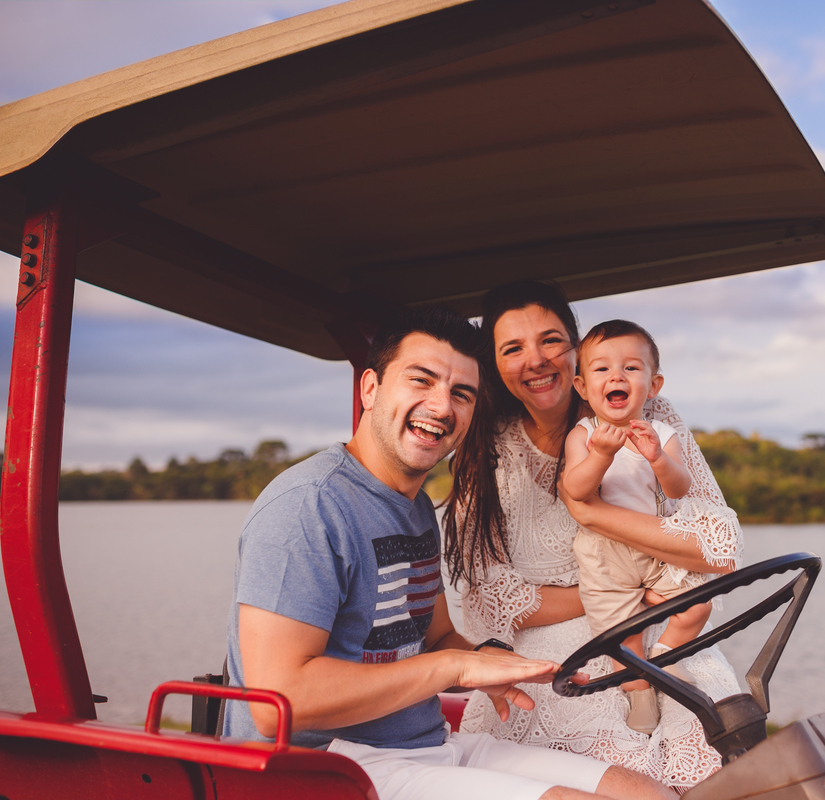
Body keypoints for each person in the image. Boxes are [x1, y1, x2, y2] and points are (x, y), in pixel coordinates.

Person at [224, 307, 673, 800]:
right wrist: (455, 670)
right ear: (369, 389)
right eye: (422, 381)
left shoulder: (413, 506)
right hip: (323, 767)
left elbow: (436, 638)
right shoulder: (309, 507)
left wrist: (494, 663)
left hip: (423, 745)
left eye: (461, 393)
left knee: (646, 794)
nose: (441, 407)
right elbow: (276, 702)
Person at [442, 281, 744, 793]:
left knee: (716, 740)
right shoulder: (485, 451)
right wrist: (617, 598)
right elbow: (491, 603)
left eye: (551, 341)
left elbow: (719, 547)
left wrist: (595, 513)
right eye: (512, 349)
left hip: (663, 634)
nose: (535, 360)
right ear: (494, 366)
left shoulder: (649, 416)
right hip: (558, 663)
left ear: (577, 353)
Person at [562, 320, 712, 735]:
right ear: (581, 386)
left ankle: (666, 655)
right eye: (602, 369)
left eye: (631, 368)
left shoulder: (661, 433)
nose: (616, 376)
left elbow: (680, 485)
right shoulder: (585, 434)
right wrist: (601, 456)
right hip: (603, 551)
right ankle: (638, 689)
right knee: (622, 632)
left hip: (654, 542)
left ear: (653, 384)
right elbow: (575, 489)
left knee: (699, 604)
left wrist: (658, 458)